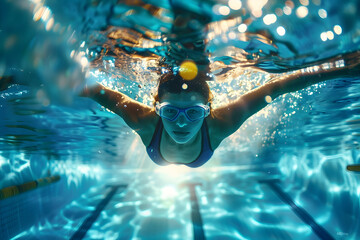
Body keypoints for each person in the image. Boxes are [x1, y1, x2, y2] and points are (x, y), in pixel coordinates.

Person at [79, 52, 360, 167]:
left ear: (207, 110)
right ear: (157, 109)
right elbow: (93, 92)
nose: (180, 123)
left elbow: (276, 88)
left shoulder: (218, 124)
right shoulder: (144, 120)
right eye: (170, 112)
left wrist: (341, 68)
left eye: (193, 113)